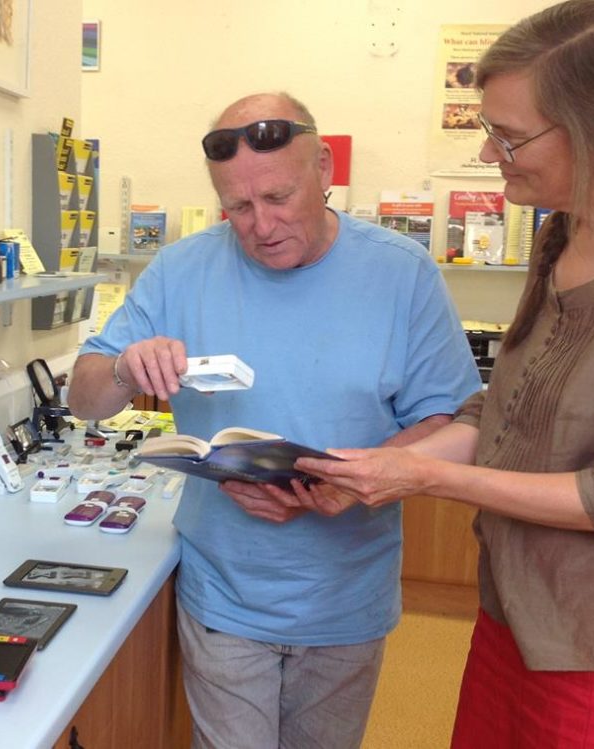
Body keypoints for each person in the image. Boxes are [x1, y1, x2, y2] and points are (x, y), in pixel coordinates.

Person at [293, 2, 594, 747]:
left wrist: (426, 479)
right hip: (519, 614)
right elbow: (506, 408)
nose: (491, 154)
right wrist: (382, 465)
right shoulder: (565, 226)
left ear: (592, 130)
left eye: (508, 135)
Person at [67, 92, 480, 748]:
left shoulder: (402, 274)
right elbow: (82, 397)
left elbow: (448, 414)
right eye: (238, 207)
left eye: (279, 197)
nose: (260, 224)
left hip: (347, 595)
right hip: (225, 589)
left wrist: (350, 478)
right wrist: (122, 370)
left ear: (323, 168)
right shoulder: (181, 268)